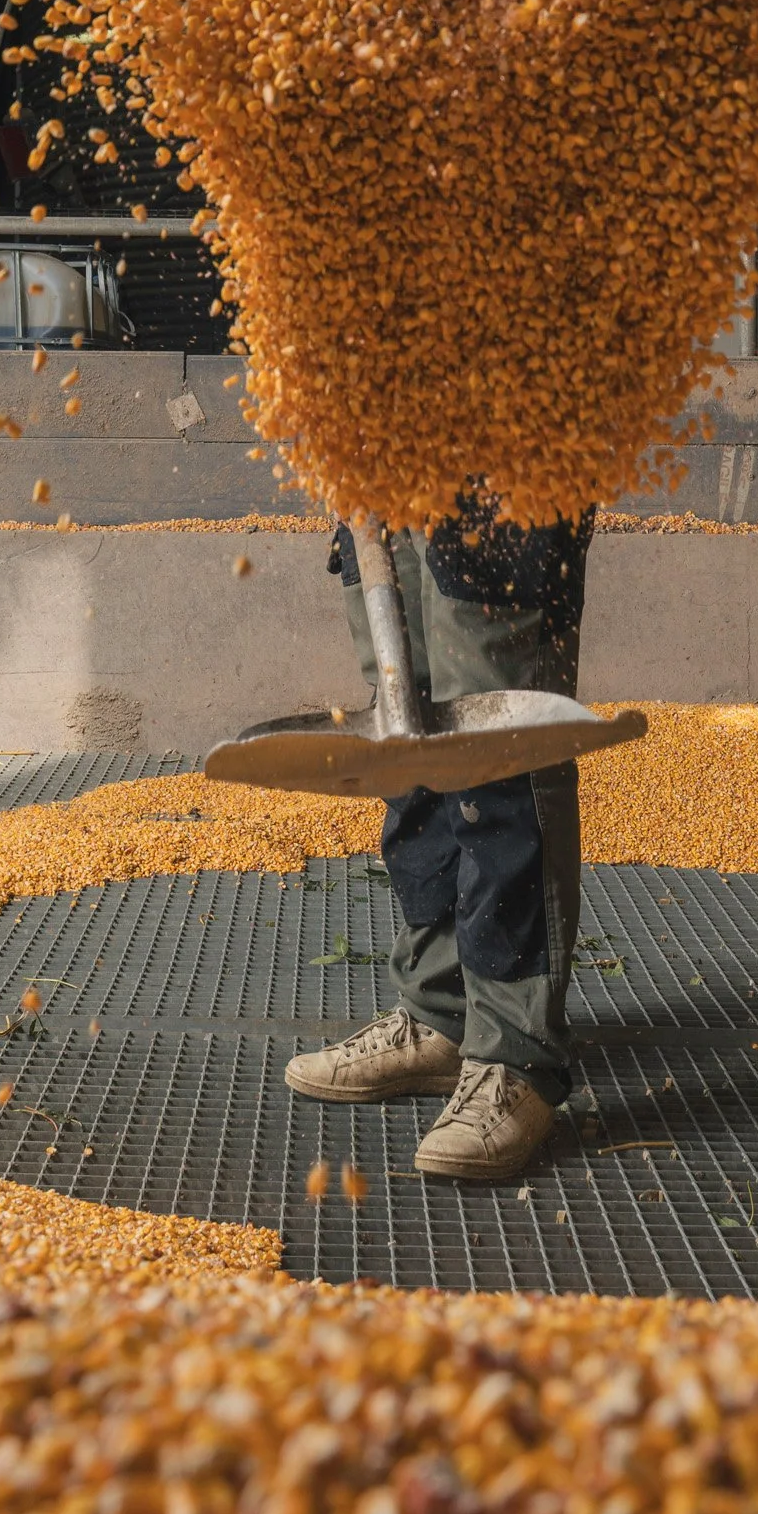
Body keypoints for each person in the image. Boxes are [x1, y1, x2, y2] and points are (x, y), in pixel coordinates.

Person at [285, 504, 594, 1180]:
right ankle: (441, 1012)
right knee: (407, 697)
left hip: (504, 437)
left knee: (495, 732)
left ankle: (516, 1054)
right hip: (388, 432)